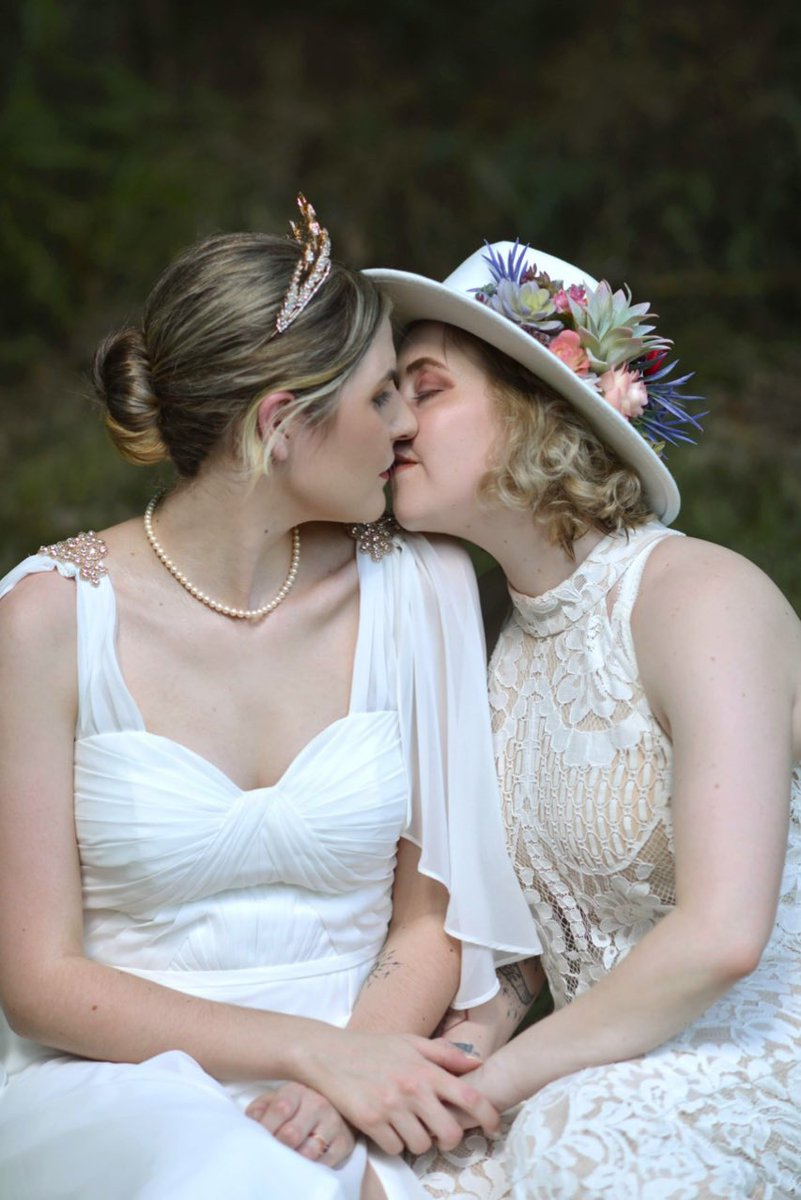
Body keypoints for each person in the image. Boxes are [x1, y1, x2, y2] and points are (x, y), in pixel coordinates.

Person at [0, 202, 541, 1200]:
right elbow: (39, 981)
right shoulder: (48, 617)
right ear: (279, 424)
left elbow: (432, 918)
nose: (406, 424)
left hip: (366, 1053)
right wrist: (307, 1054)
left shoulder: (420, 587)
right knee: (226, 1176)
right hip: (114, 1078)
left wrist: (348, 1070)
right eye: (381, 395)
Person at [367, 241, 801, 1198]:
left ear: (539, 406)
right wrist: (445, 1068)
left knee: (575, 1136)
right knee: (389, 1172)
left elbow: (724, 933)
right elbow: (525, 955)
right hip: (594, 1072)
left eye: (425, 390)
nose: (392, 423)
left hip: (763, 1063)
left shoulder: (701, 595)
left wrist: (496, 1087)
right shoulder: (495, 650)